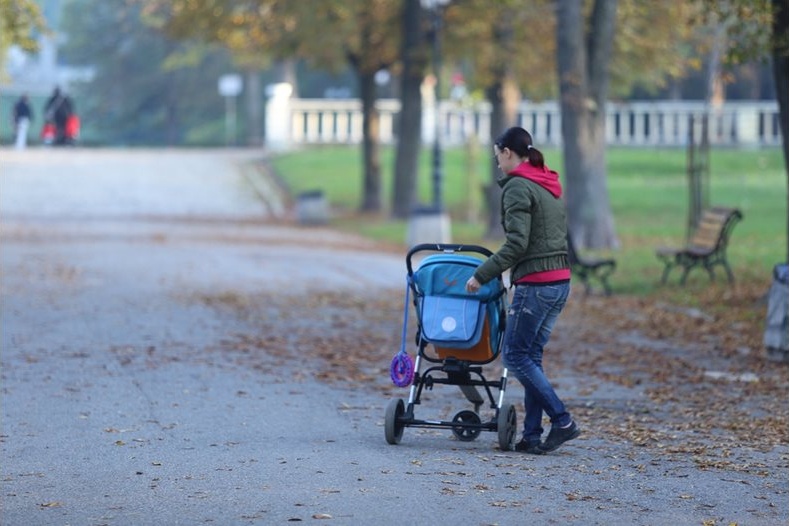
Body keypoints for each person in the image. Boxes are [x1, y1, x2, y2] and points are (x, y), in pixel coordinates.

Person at [465, 126, 580, 454]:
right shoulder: (545, 181)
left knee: (515, 356)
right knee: (530, 357)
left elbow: (517, 243)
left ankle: (562, 420)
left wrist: (482, 275)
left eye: (496, 155)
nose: (496, 162)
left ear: (506, 152)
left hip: (537, 285)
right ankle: (531, 435)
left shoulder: (517, 186)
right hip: (559, 282)